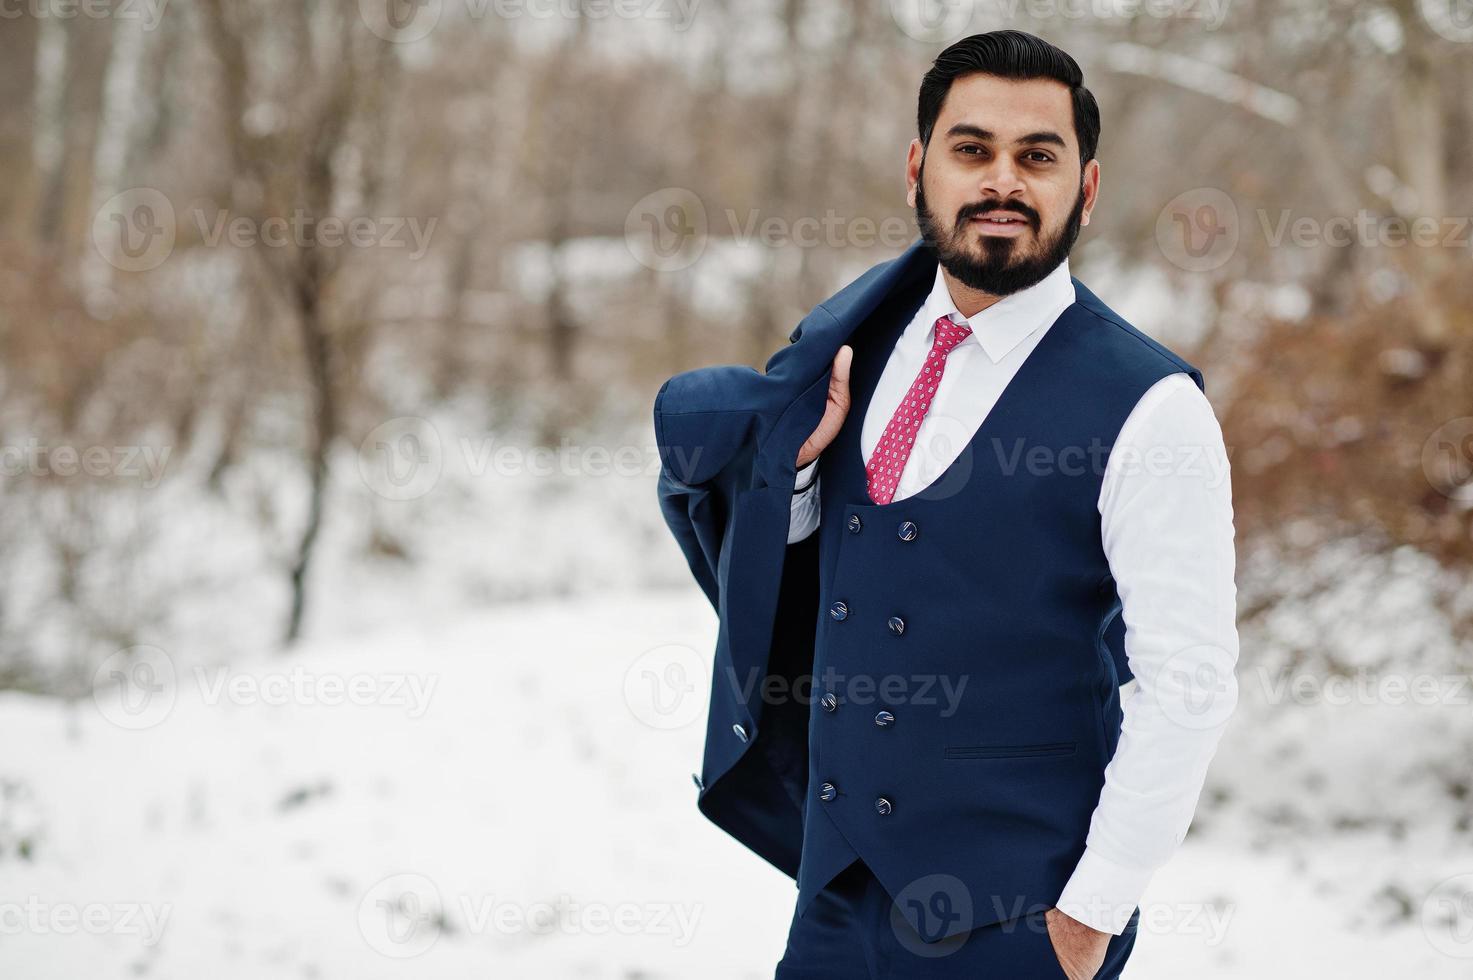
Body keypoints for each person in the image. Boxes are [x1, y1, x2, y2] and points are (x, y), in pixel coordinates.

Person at [654, 29, 1239, 979]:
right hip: (835, 901)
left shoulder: (1151, 408)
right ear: (919, 169)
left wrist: (1088, 916)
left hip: (1021, 922)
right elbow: (826, 587)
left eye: (1036, 156)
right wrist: (798, 479)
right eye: (972, 150)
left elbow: (1190, 684)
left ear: (1084, 188)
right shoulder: (848, 352)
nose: (1001, 181)